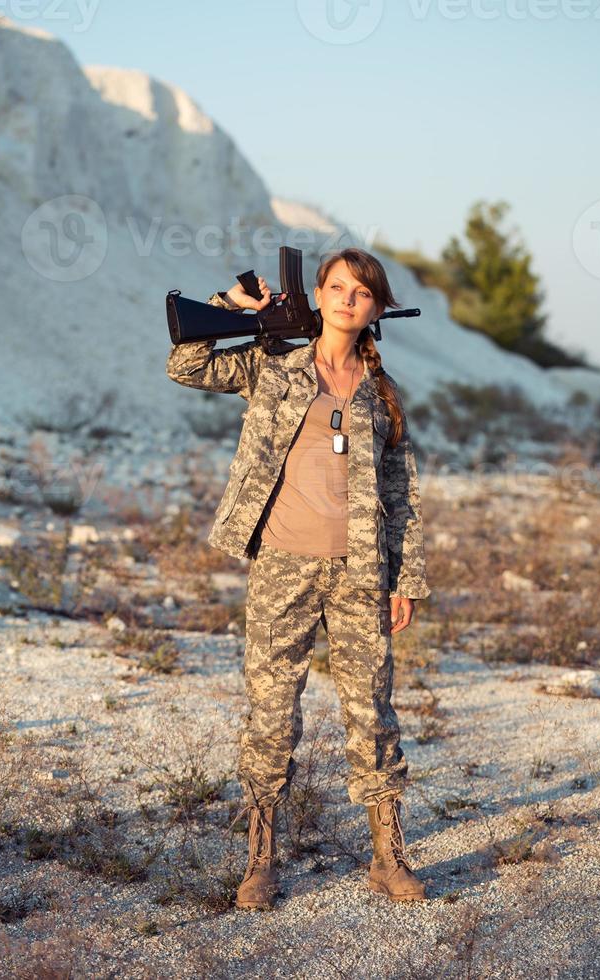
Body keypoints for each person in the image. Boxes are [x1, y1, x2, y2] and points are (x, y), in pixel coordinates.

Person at [165, 247, 431, 911]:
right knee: (272, 714)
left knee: (372, 712)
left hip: (362, 572)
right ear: (318, 293)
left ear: (377, 306)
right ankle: (260, 858)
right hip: (284, 563)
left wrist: (407, 577)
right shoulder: (273, 365)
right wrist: (235, 304)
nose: (347, 298)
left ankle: (387, 855)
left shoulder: (381, 391)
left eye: (361, 292)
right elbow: (184, 363)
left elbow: (402, 490)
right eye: (336, 287)